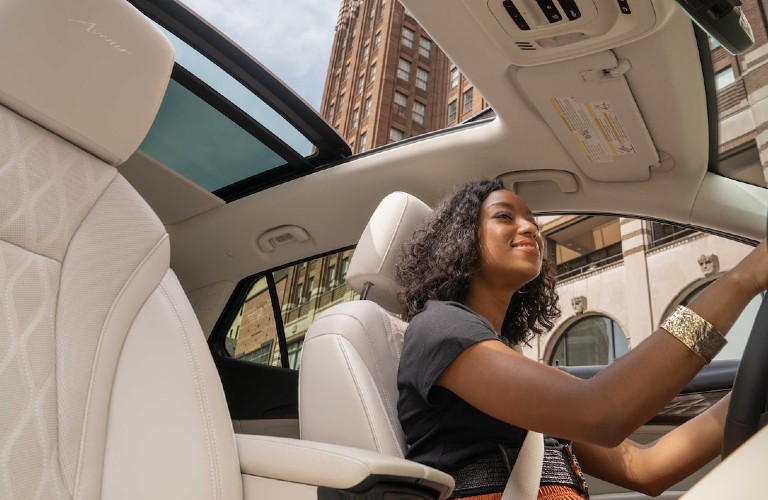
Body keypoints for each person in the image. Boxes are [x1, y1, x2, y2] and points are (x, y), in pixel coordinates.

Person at [395, 179, 767, 500]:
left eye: (532, 220)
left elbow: (644, 468)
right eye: (505, 216)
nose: (530, 228)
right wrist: (742, 280)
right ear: (461, 238)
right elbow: (600, 413)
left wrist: (755, 390)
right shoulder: (439, 327)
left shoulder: (506, 358)